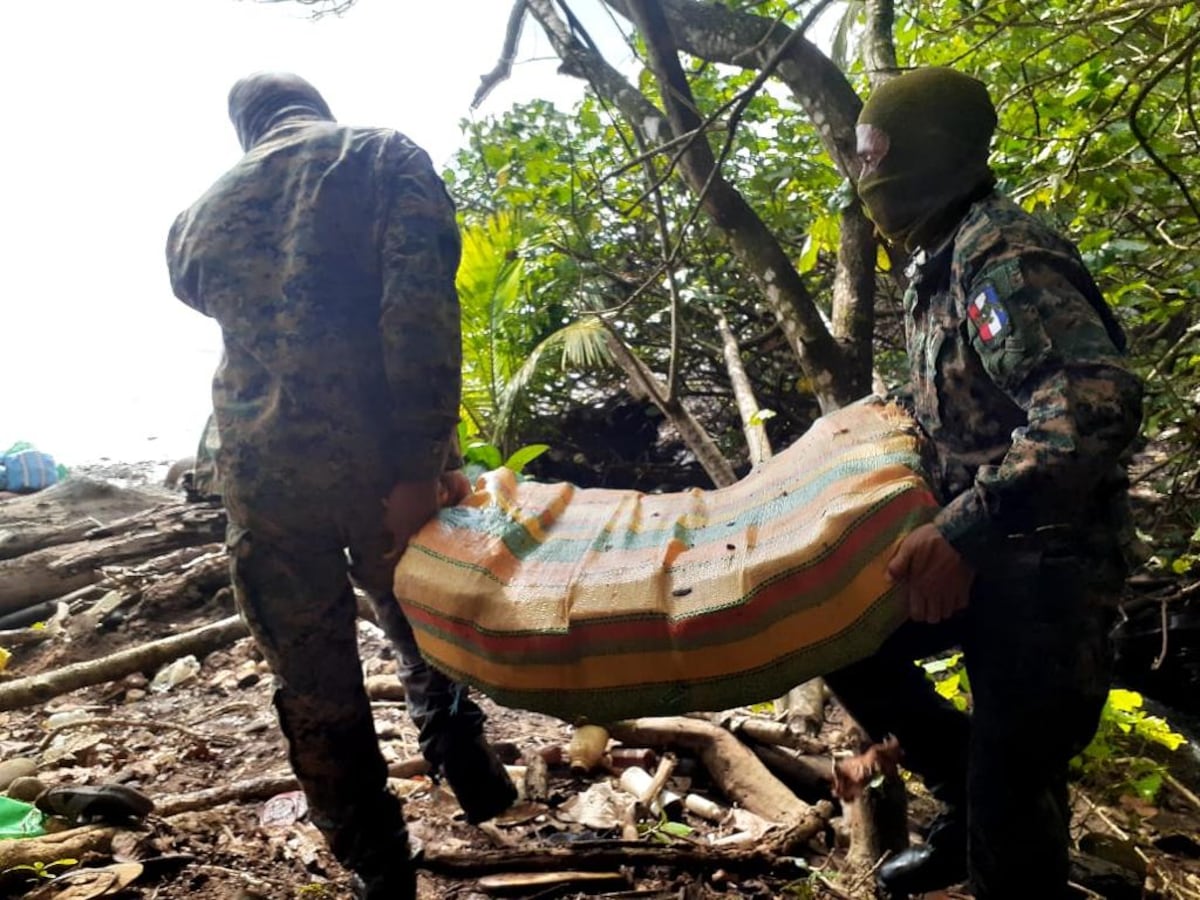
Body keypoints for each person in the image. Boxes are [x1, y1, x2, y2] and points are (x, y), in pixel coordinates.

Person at [165, 72, 516, 899]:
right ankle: (461, 755)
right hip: (376, 453)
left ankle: (378, 870)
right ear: (313, 104)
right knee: (423, 609)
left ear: (245, 128)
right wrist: (420, 462)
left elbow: (200, 294)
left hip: (261, 477)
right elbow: (420, 312)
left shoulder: (194, 219)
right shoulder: (384, 157)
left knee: (314, 681)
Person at [824, 68, 1143, 898]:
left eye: (874, 155)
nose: (863, 176)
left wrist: (965, 529)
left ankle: (998, 832)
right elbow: (954, 409)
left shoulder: (1001, 255)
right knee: (845, 642)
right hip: (984, 553)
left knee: (1016, 802)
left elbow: (1091, 406)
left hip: (1049, 571)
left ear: (924, 156)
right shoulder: (936, 265)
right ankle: (973, 809)